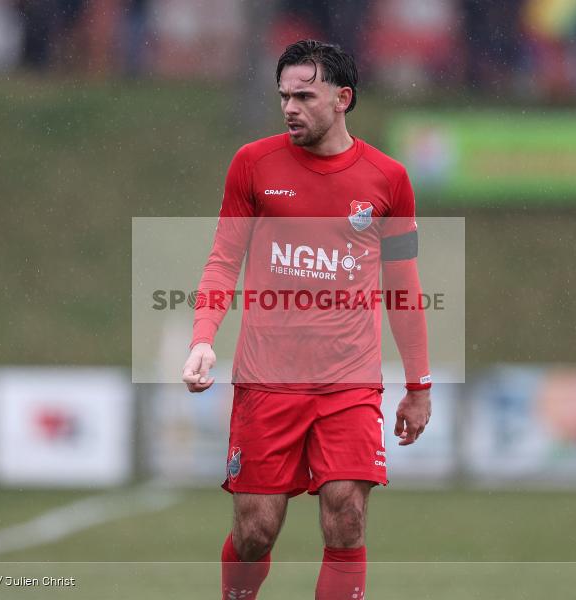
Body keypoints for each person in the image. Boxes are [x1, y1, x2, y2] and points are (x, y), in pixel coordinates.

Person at [181, 40, 432, 599]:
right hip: (267, 381)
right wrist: (203, 339)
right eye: (283, 96)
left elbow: (404, 288)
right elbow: (223, 260)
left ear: (342, 99)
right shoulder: (253, 164)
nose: (290, 107)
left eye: (304, 95)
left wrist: (419, 385)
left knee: (346, 518)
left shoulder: (388, 180)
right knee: (255, 531)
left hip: (349, 382)